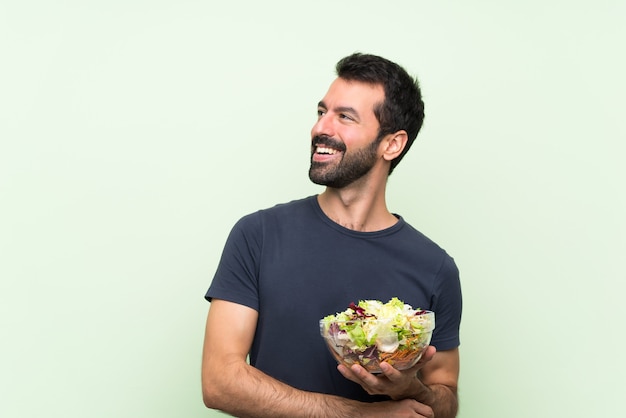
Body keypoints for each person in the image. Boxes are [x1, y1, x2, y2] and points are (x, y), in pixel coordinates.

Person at [201, 52, 462, 418]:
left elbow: (445, 399)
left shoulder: (435, 267)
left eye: (345, 117)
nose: (321, 128)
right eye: (322, 111)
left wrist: (412, 388)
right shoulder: (257, 235)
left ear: (392, 144)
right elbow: (219, 382)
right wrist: (365, 415)